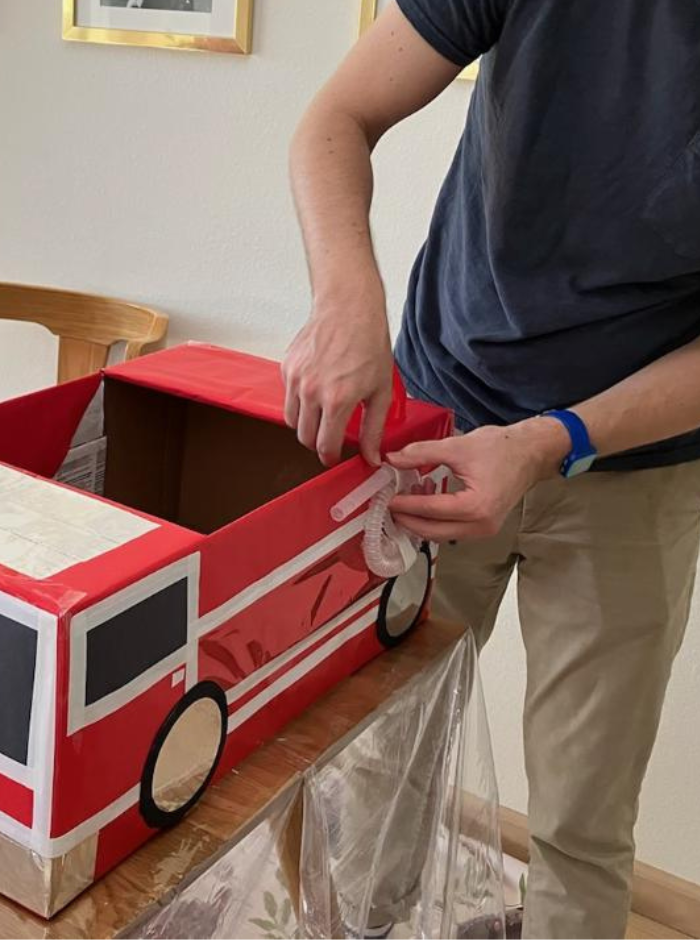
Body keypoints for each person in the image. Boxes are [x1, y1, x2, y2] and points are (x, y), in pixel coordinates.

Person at [282, 1, 700, 937]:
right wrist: (347, 297)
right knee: (374, 763)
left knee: (582, 822)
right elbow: (335, 119)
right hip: (436, 419)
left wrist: (554, 437)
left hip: (635, 467)